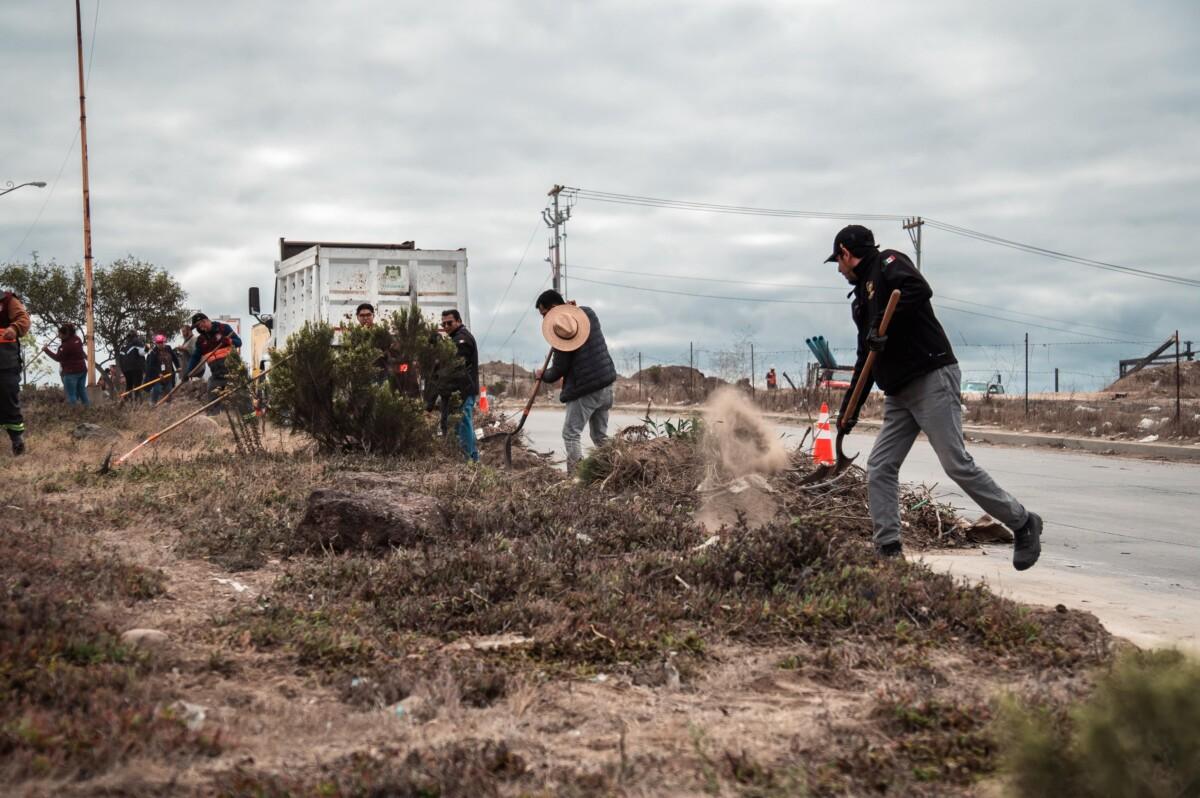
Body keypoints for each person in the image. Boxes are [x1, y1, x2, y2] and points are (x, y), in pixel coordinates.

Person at [822, 224, 1042, 570]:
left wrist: (884, 325)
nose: (838, 269)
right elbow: (867, 357)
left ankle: (1023, 522)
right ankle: (889, 551)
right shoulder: (861, 302)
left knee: (956, 463)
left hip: (930, 378)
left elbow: (918, 289)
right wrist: (850, 409)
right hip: (899, 392)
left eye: (838, 261)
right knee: (880, 466)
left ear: (846, 254)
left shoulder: (888, 263)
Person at [534, 290, 617, 475]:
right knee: (600, 436)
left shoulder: (562, 334)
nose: (545, 320)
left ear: (554, 308)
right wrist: (572, 311)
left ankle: (576, 479)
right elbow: (576, 320)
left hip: (585, 389)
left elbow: (558, 370)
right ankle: (617, 468)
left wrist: (542, 375)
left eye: (544, 314)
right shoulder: (588, 313)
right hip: (606, 386)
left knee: (571, 434)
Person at [439, 309, 479, 462]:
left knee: (463, 424)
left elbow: (456, 365)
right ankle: (472, 459)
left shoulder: (462, 339)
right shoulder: (455, 338)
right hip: (461, 390)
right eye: (443, 324)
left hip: (463, 390)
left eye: (450, 322)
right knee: (463, 424)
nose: (446, 326)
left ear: (459, 321)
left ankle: (468, 459)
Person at [186, 313, 242, 412]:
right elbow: (195, 357)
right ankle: (216, 423)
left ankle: (250, 422)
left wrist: (229, 341)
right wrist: (188, 372)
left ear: (205, 321)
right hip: (217, 376)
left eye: (199, 325)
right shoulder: (201, 340)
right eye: (197, 327)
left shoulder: (223, 328)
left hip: (233, 373)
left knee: (242, 399)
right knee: (212, 401)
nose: (199, 328)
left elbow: (239, 342)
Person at [0, 290, 31, 455]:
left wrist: (15, 327)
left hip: (6, 362)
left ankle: (17, 441)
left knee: (9, 399)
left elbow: (23, 319)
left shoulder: (8, 301)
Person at [42, 323, 90, 406]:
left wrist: (46, 350)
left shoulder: (65, 346)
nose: (58, 335)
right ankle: (88, 410)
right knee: (82, 391)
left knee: (71, 395)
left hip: (71, 373)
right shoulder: (77, 339)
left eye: (60, 334)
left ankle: (73, 413)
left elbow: (58, 358)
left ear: (65, 334)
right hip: (82, 370)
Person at [144, 334, 179, 404]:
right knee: (157, 390)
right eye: (158, 343)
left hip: (168, 375)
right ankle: (153, 404)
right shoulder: (154, 352)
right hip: (158, 377)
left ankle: (168, 406)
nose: (160, 344)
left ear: (164, 342)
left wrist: (178, 366)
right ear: (156, 343)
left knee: (169, 391)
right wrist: (158, 373)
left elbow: (174, 358)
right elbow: (151, 366)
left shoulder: (168, 348)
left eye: (161, 342)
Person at [118, 331, 146, 400]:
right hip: (136, 367)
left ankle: (127, 400)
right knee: (137, 385)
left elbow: (120, 360)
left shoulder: (123, 347)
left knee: (129, 384)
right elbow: (142, 353)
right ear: (136, 336)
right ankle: (137, 399)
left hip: (125, 369)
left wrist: (122, 372)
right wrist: (147, 348)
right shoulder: (137, 342)